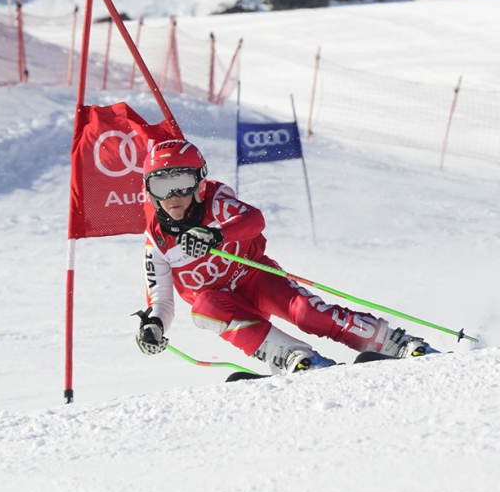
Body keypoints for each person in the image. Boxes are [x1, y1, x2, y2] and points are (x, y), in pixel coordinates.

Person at [135, 139, 430, 375]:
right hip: (226, 307)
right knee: (203, 308)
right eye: (160, 185)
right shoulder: (157, 238)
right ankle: (293, 357)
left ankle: (393, 342)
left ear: (199, 182)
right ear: (149, 191)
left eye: (182, 183)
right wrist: (154, 326)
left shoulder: (216, 200)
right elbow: (161, 301)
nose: (172, 196)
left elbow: (254, 219)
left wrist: (216, 234)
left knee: (306, 313)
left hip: (255, 278)